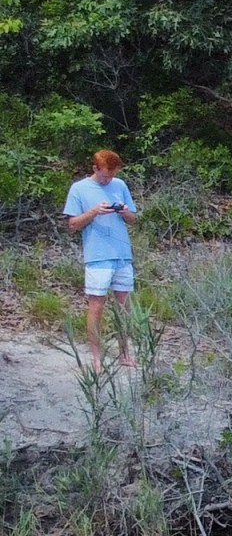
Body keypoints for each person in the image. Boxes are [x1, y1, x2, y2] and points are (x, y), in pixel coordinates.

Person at [62, 148, 139, 372]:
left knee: (125, 305)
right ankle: (96, 358)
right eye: (106, 175)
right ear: (95, 168)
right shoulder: (79, 189)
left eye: (112, 175)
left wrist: (124, 212)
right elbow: (73, 224)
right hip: (97, 256)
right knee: (96, 306)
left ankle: (125, 353)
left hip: (122, 255)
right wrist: (95, 211)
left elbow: (133, 219)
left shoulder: (120, 185)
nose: (109, 179)